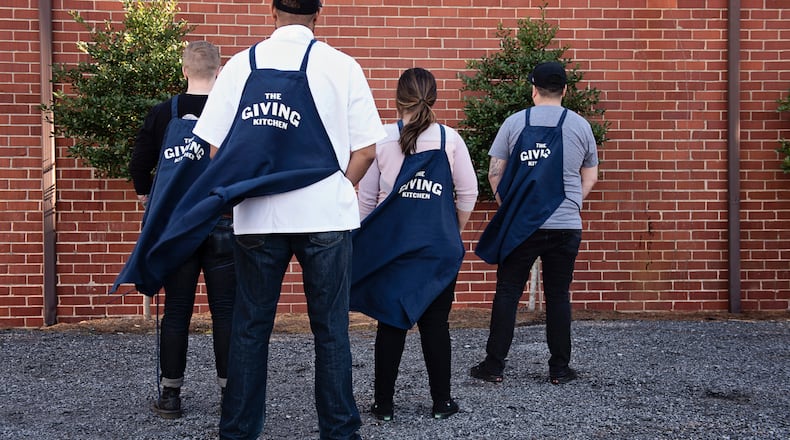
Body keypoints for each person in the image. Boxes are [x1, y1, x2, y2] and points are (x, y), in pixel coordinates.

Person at [190, 1, 385, 439]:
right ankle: (339, 431)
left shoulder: (240, 66)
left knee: (250, 328)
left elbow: (216, 150)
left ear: (271, 11)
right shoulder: (342, 65)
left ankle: (238, 431)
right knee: (331, 330)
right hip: (325, 215)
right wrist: (338, 186)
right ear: (319, 14)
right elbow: (368, 150)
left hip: (258, 217)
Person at [352, 68, 478, 421]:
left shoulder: (382, 139)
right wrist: (451, 230)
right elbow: (468, 193)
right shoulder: (449, 139)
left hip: (395, 249)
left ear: (397, 99)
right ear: (433, 98)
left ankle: (384, 405)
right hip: (438, 249)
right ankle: (441, 403)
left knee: (391, 323)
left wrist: (363, 239)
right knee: (436, 325)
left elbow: (367, 199)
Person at [471, 61, 599, 385]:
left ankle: (494, 366)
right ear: (565, 90)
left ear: (533, 89)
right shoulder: (581, 126)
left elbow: (494, 172)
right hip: (566, 224)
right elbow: (591, 174)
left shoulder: (515, 123)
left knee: (508, 292)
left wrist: (509, 206)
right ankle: (559, 369)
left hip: (522, 224)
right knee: (558, 295)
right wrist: (574, 201)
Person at [127, 40, 236, 419]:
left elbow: (139, 165)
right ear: (220, 72)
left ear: (184, 70)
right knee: (226, 313)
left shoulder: (163, 114)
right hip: (223, 223)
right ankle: (229, 396)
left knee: (176, 312)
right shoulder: (232, 113)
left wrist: (147, 196)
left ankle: (171, 396)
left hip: (176, 228)